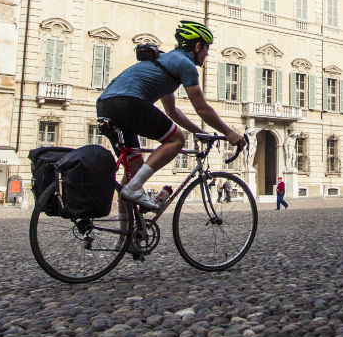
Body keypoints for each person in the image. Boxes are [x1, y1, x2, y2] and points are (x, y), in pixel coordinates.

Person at [96, 20, 248, 210]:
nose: (207, 54)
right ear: (197, 46)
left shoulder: (165, 62)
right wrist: (229, 132)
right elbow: (202, 108)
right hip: (128, 103)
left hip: (105, 105)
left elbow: (172, 111)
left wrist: (199, 131)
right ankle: (134, 189)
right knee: (177, 139)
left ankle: (127, 227)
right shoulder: (186, 64)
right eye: (206, 48)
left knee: (133, 173)